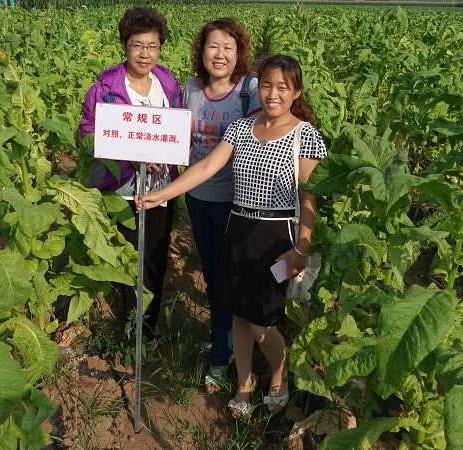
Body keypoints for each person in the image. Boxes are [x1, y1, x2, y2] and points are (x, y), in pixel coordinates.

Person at [137, 54, 327, 418]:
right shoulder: (242, 128)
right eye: (267, 85)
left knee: (261, 322)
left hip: (276, 237)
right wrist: (164, 193)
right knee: (239, 314)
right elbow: (208, 166)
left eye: (282, 88)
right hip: (238, 228)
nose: (273, 94)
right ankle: (244, 382)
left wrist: (301, 247)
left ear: (296, 92)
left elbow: (308, 197)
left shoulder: (306, 135)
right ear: (259, 87)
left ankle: (278, 371)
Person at [79, 6, 182, 359]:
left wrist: (159, 156)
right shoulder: (105, 88)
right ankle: (129, 329)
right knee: (126, 258)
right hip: (119, 186)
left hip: (160, 186)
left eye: (152, 46)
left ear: (160, 48)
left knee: (154, 258)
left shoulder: (168, 86)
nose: (145, 53)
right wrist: (132, 154)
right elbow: (90, 132)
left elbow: (176, 134)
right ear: (125, 45)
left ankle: (148, 331)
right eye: (138, 45)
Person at [183, 18, 261, 394]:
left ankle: (219, 357)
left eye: (228, 47)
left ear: (238, 54)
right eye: (213, 46)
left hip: (236, 201)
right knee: (212, 274)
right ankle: (223, 338)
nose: (220, 54)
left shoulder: (250, 91)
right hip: (198, 198)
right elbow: (178, 136)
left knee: (225, 281)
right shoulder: (190, 90)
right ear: (201, 51)